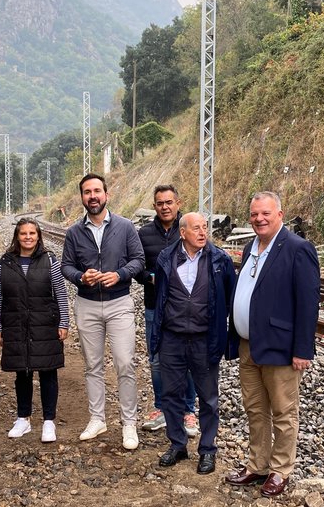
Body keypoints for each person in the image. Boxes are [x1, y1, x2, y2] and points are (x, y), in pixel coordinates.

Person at [227, 191, 320, 498]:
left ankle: (280, 470)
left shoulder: (297, 249)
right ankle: (258, 464)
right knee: (254, 409)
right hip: (248, 345)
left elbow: (308, 303)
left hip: (280, 346)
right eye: (254, 214)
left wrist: (302, 349)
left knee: (282, 411)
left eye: (266, 213)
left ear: (280, 214)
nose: (259, 219)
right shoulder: (250, 247)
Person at [61, 173, 145, 449]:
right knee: (92, 365)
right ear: (82, 197)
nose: (93, 196)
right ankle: (97, 418)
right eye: (87, 192)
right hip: (86, 305)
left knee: (125, 363)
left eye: (97, 191)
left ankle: (129, 423)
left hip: (119, 303)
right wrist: (80, 277)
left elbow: (139, 261)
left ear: (106, 195)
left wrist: (119, 275)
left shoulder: (124, 226)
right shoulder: (74, 232)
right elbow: (66, 267)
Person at [149, 213, 236, 474]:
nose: (202, 232)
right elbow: (161, 296)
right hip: (172, 339)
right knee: (171, 395)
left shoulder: (220, 260)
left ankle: (207, 450)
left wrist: (225, 334)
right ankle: (177, 444)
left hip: (204, 339)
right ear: (182, 232)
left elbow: (229, 299)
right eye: (196, 228)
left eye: (204, 227)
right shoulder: (166, 258)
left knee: (208, 399)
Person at [0, 218, 69, 443]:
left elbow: (60, 294)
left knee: (48, 371)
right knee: (22, 372)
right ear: (17, 236)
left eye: (32, 233)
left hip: (45, 323)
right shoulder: (4, 262)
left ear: (38, 236)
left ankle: (48, 422)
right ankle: (23, 419)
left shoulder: (49, 260)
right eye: (23, 233)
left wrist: (63, 323)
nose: (27, 237)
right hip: (15, 324)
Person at [135, 185, 199, 438]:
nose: (165, 207)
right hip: (154, 307)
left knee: (188, 359)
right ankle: (162, 408)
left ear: (178, 203)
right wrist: (151, 278)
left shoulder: (189, 229)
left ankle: (188, 411)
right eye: (160, 203)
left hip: (186, 308)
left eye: (169, 202)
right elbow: (136, 266)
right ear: (154, 206)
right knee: (157, 359)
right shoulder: (143, 234)